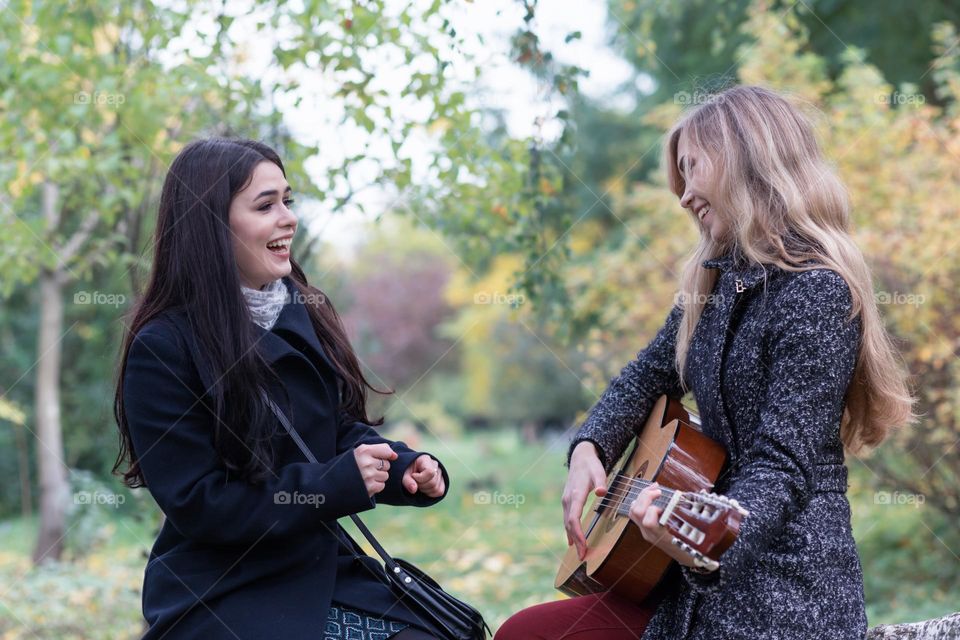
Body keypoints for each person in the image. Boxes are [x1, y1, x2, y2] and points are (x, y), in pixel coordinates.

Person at [496, 85, 915, 639]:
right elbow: (646, 375)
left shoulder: (818, 293)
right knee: (528, 632)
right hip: (687, 585)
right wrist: (589, 447)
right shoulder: (717, 285)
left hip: (785, 592)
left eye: (693, 169)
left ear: (747, 161)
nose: (684, 193)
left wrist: (705, 536)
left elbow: (780, 468)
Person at [113, 137, 449, 640]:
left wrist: (401, 467)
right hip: (227, 588)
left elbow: (333, 430)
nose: (288, 218)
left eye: (287, 201)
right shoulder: (163, 347)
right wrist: (331, 486)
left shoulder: (302, 309)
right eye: (265, 205)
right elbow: (202, 504)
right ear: (211, 225)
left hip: (323, 567)